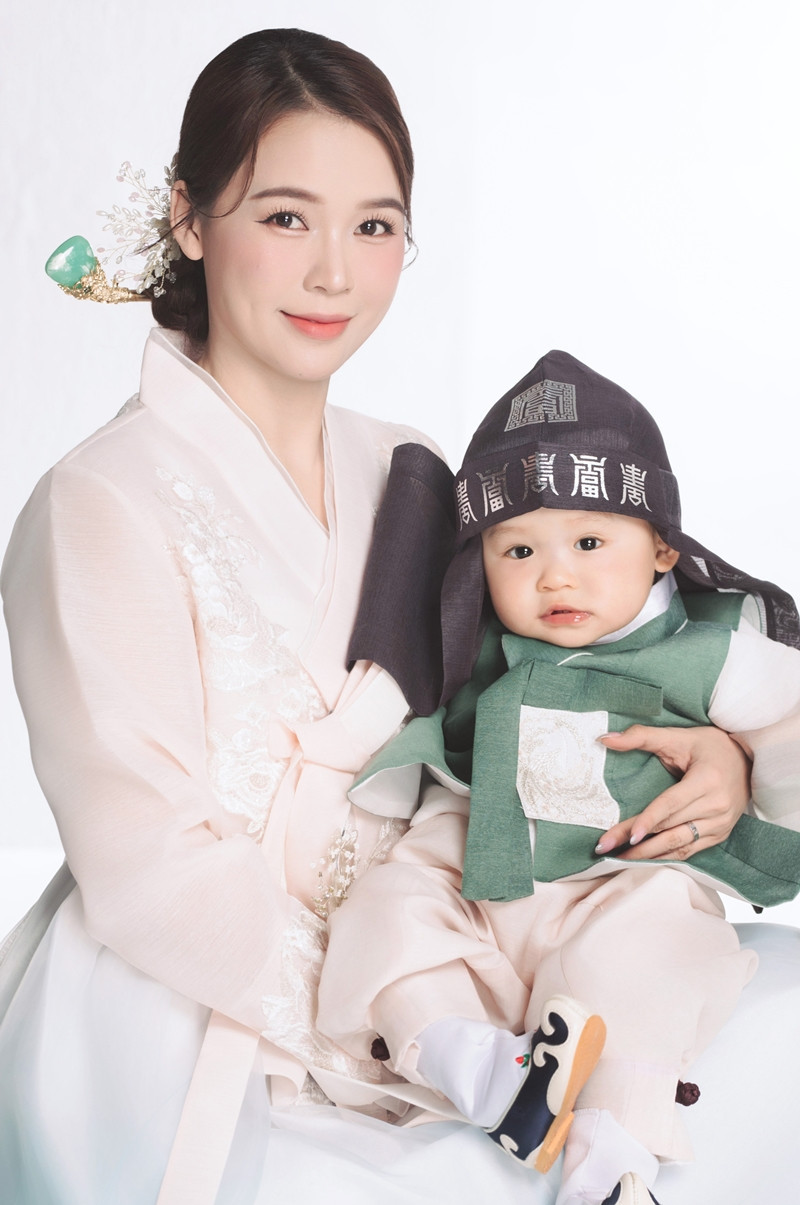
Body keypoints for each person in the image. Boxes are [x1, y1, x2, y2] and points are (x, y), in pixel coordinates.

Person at [0, 30, 753, 1205]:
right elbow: (148, 871)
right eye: (285, 217)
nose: (333, 275)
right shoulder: (97, 501)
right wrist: (400, 1017)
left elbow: (523, 696)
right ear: (190, 217)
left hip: (443, 957)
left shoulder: (410, 469)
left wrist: (712, 758)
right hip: (206, 1003)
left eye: (373, 225)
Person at [316, 350, 800, 1205]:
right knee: (390, 907)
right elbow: (423, 732)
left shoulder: (707, 653)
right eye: (518, 549)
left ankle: (610, 1159)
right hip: (481, 864)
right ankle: (481, 1067)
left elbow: (790, 717)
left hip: (625, 877)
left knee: (645, 959)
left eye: (588, 541)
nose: (554, 575)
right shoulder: (478, 649)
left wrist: (749, 766)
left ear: (661, 547)